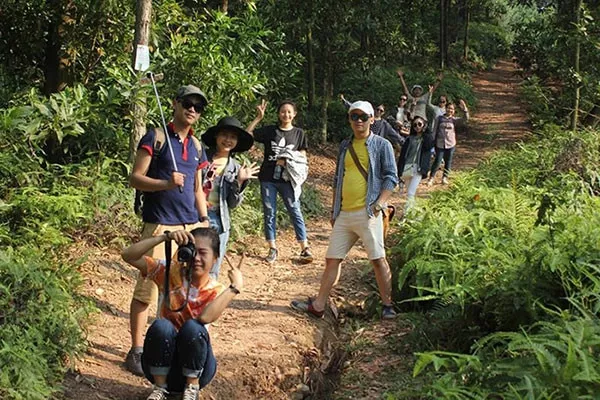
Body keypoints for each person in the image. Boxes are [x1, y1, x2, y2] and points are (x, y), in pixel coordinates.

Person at [126, 85, 211, 376]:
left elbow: (198, 188)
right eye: (188, 103)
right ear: (175, 103)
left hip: (189, 225)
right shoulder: (156, 137)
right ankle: (137, 349)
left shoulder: (198, 146)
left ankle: (170, 347)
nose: (192, 110)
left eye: (198, 107)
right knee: (147, 288)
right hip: (160, 223)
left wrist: (204, 219)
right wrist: (164, 183)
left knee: (183, 290)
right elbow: (135, 178)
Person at [290, 101, 399, 320]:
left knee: (378, 259)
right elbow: (338, 179)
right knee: (332, 259)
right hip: (344, 213)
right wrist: (334, 209)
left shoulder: (381, 145)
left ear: (372, 119)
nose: (359, 121)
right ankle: (319, 305)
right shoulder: (344, 146)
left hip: (369, 212)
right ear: (349, 119)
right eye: (354, 116)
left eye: (363, 117)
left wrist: (379, 203)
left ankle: (388, 305)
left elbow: (391, 177)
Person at [121, 228, 243, 400]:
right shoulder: (168, 272)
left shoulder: (217, 290)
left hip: (199, 368)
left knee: (193, 327)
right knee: (161, 326)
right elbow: (128, 255)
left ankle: (191, 388)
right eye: (193, 251)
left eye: (203, 253)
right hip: (161, 363)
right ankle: (160, 388)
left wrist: (234, 288)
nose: (197, 258)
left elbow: (205, 318)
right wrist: (165, 237)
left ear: (215, 258)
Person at [246, 99, 312, 264]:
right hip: (268, 177)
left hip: (288, 179)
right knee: (270, 212)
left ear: (294, 114)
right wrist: (258, 118)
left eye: (289, 111)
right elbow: (247, 136)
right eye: (283, 111)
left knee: (294, 210)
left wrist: (288, 159)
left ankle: (304, 247)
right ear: (278, 113)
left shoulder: (299, 134)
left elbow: (303, 157)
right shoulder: (270, 131)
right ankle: (272, 248)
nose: (286, 114)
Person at [201, 116, 260, 279]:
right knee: (191, 263)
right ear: (216, 136)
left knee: (212, 268)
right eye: (225, 135)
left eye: (233, 137)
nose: (228, 140)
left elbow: (232, 204)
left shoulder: (235, 168)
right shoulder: (201, 157)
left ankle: (209, 303)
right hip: (195, 217)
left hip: (219, 222)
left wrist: (240, 181)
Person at [396, 115, 435, 212]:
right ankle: (414, 214)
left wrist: (426, 130)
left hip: (418, 169)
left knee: (410, 193)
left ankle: (406, 215)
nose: (417, 127)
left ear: (424, 125)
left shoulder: (427, 138)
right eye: (415, 125)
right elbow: (403, 155)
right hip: (407, 167)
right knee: (410, 194)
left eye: (419, 124)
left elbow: (429, 146)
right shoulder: (410, 139)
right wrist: (399, 171)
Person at [427, 100, 470, 186]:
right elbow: (434, 130)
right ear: (445, 109)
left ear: (454, 111)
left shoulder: (454, 120)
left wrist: (465, 109)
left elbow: (465, 119)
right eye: (448, 108)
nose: (450, 110)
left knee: (448, 161)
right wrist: (432, 141)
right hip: (439, 143)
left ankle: (445, 177)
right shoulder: (439, 118)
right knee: (438, 161)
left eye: (452, 109)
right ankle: (431, 177)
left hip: (451, 144)